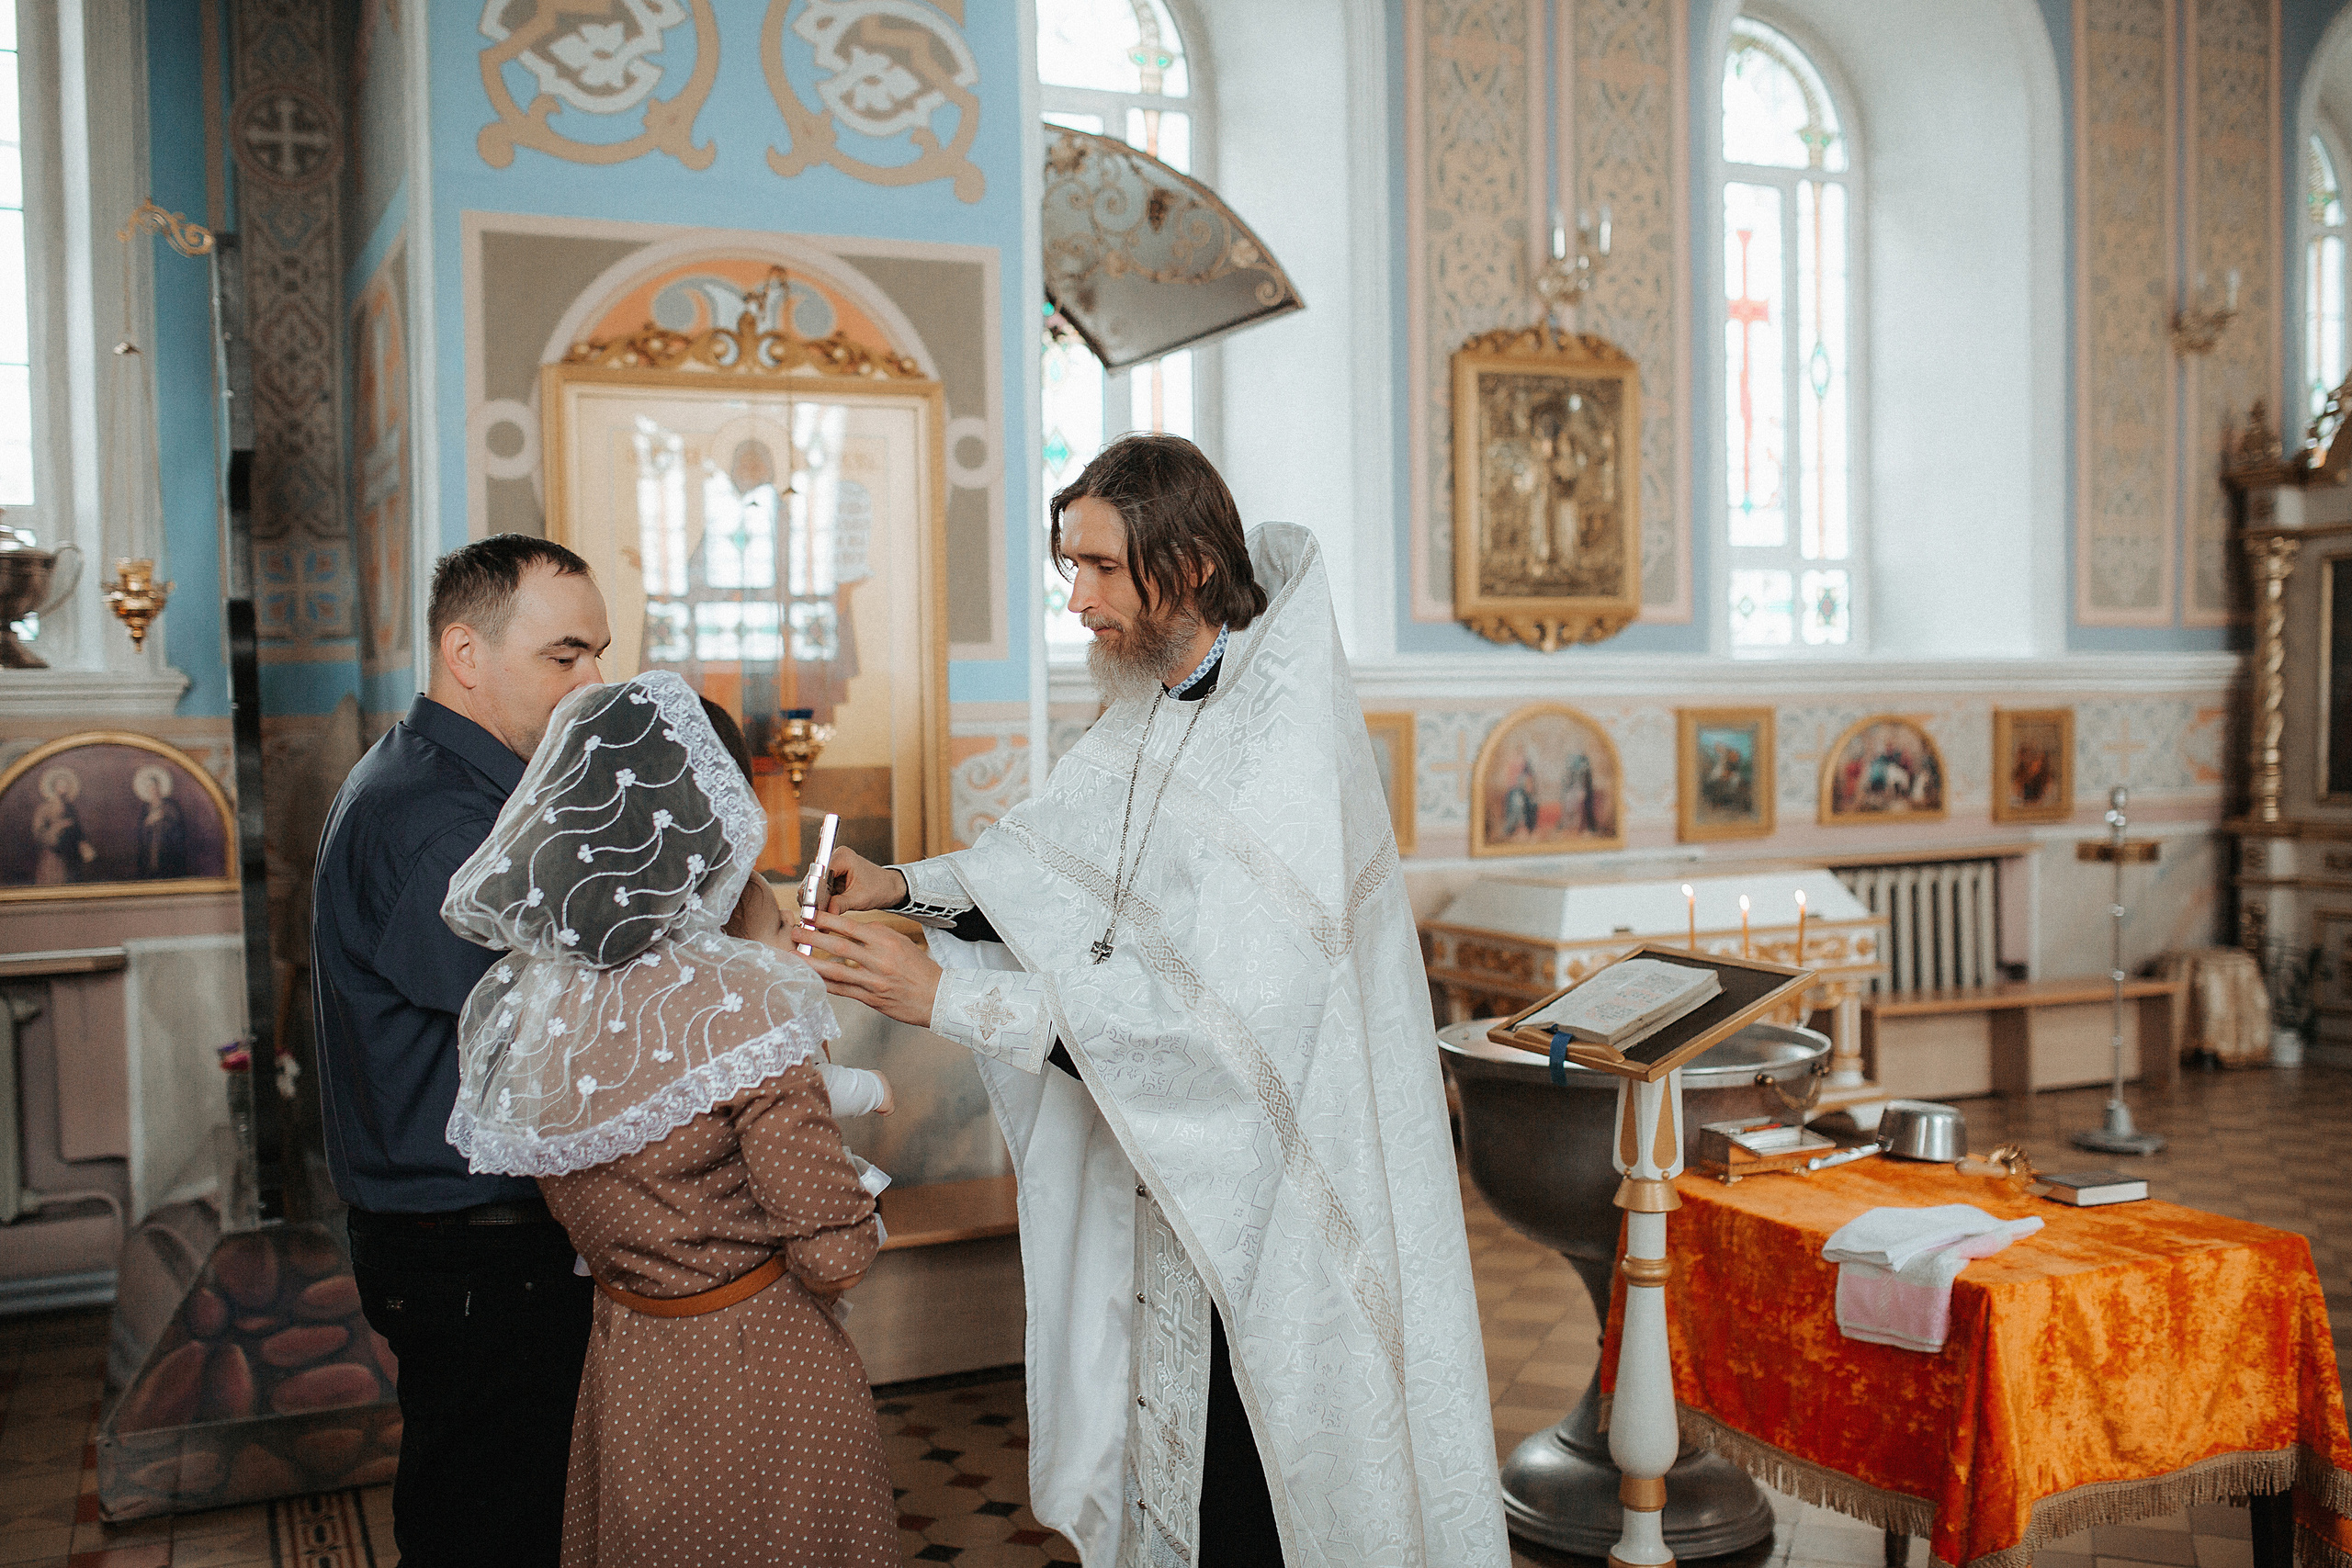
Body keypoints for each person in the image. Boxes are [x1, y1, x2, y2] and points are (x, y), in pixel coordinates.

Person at [793, 434, 1509, 1567]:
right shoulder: (1145, 706)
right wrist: (903, 887)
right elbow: (1051, 872)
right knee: (1183, 1459)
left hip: (1274, 1188)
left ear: (1184, 567)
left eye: (1097, 569)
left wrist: (950, 1002)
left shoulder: (1278, 748)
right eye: (1066, 567)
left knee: (1264, 1480)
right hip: (1170, 1177)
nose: (1074, 601)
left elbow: (1219, 1035)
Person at [440, 670, 899, 1567]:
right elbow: (833, 1252)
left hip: (628, 1355)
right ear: (706, 821)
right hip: (758, 1366)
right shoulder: (742, 1002)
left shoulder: (533, 1009)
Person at [311, 535, 611, 1568]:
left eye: (598, 655)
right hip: (474, 1239)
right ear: (464, 653)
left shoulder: (457, 785)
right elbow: (554, 1024)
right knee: (492, 1525)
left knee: (507, 1500)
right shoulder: (437, 818)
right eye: (564, 656)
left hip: (475, 1235)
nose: (593, 683)